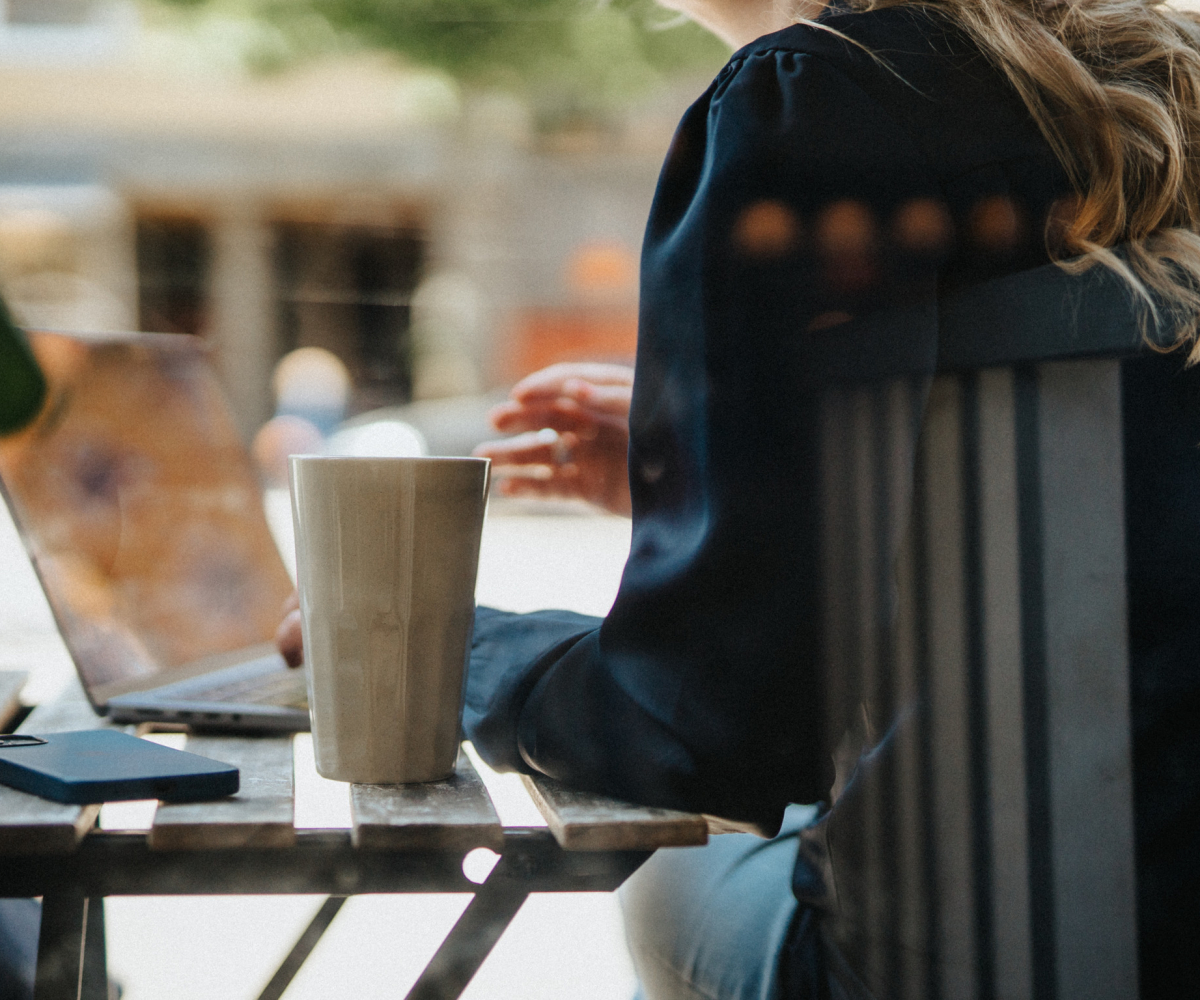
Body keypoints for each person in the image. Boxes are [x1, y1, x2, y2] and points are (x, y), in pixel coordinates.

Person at [280, 0, 1200, 996]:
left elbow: (707, 732)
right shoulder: (1158, 80)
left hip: (973, 957)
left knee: (665, 868)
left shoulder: (812, 104)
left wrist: (448, 647)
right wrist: (760, 462)